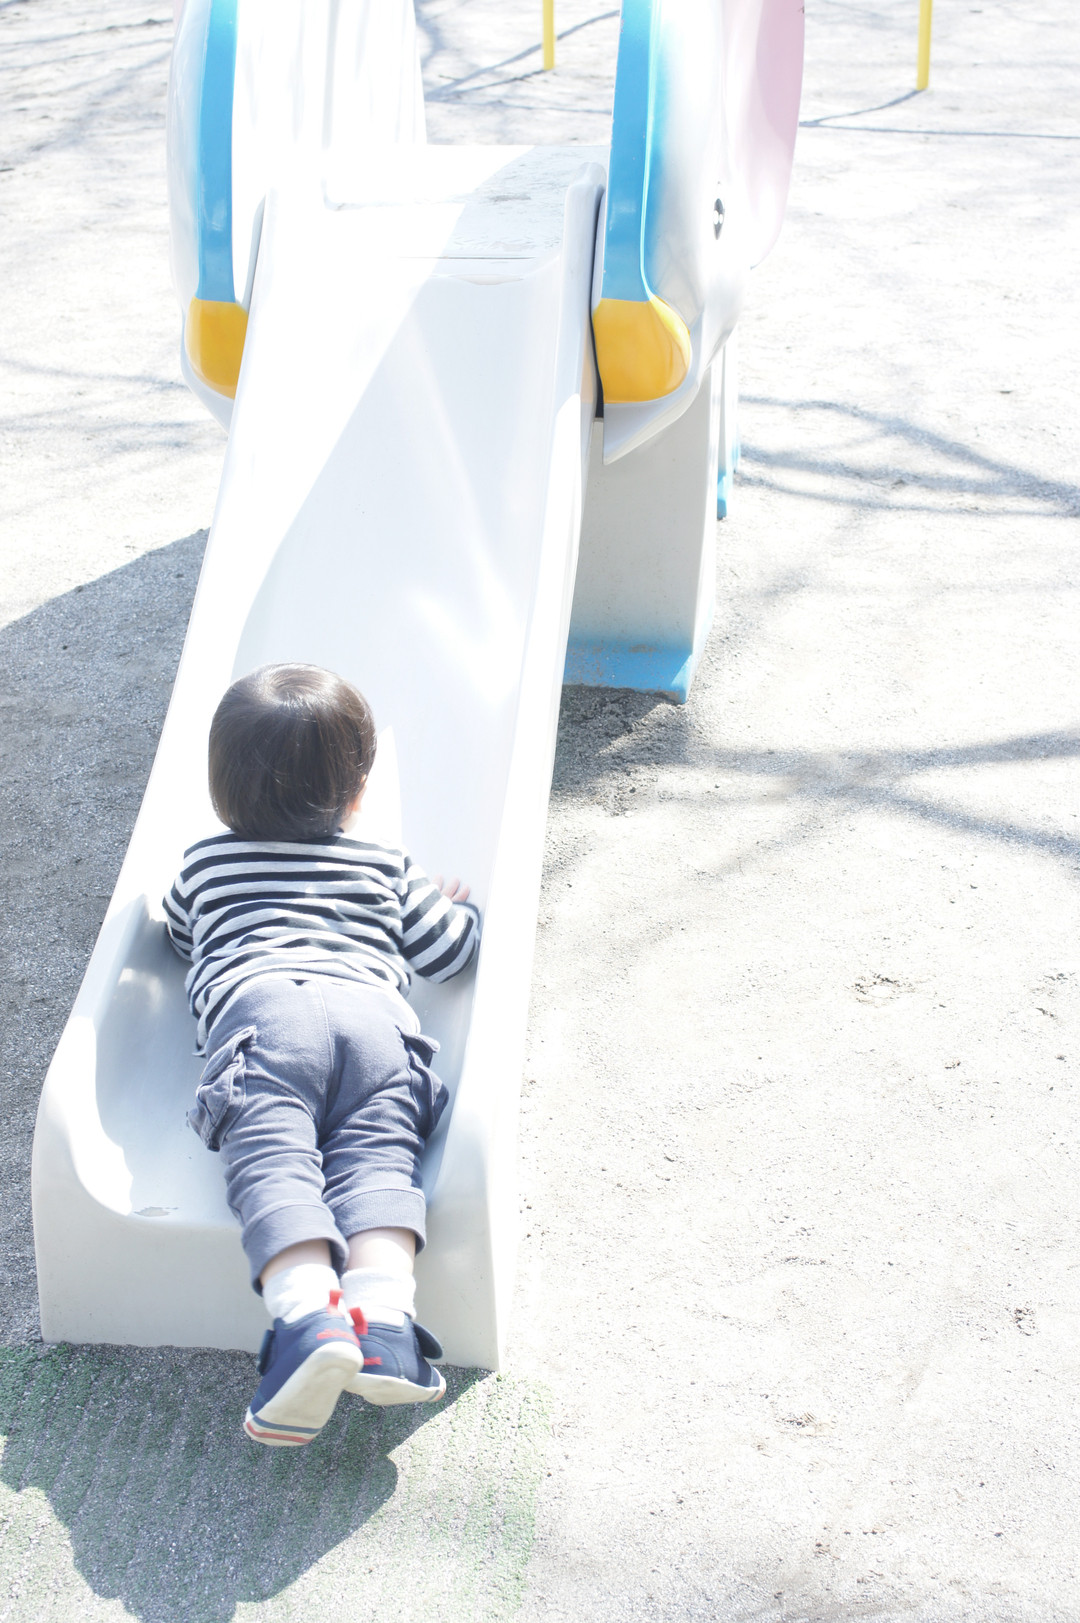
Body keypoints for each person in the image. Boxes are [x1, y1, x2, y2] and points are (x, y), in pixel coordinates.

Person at [163, 662, 479, 1447]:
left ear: (219, 790)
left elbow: (178, 935)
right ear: (358, 793)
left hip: (265, 1019)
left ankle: (308, 1317)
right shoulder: (386, 863)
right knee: (378, 1165)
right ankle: (386, 1324)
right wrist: (458, 911)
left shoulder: (204, 864)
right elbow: (449, 953)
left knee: (275, 1162)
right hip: (377, 1025)